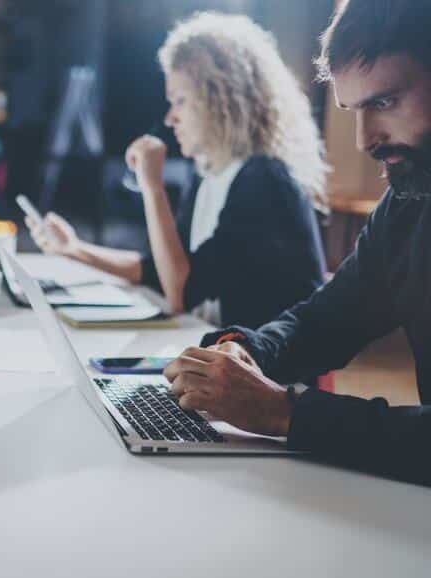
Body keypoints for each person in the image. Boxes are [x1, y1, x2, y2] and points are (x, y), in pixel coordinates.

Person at [164, 0, 431, 485]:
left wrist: (284, 412)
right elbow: (326, 319)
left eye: (385, 102)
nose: (364, 139)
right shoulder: (410, 207)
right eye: (354, 109)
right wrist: (245, 351)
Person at [27, 12, 327, 329]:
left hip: (263, 372)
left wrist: (152, 186)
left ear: (221, 98)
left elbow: (181, 292)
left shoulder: (263, 180)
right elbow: (162, 270)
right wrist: (73, 249)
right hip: (217, 354)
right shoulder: (209, 173)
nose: (171, 118)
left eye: (180, 100)